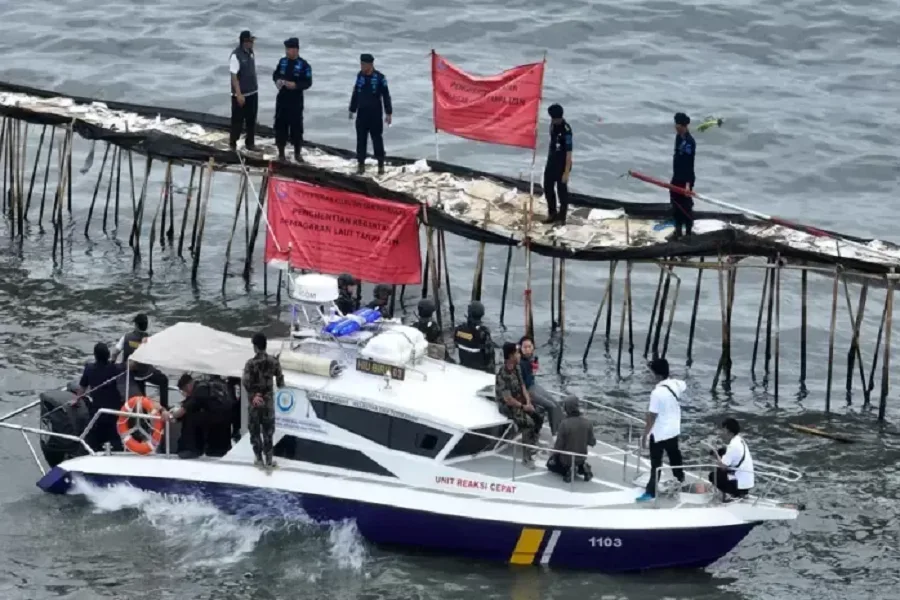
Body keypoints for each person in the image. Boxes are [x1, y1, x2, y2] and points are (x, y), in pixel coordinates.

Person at [636, 357, 686, 502]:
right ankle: (680, 479)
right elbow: (684, 385)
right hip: (673, 430)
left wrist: (644, 436)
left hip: (659, 433)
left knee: (655, 464)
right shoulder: (676, 384)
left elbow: (652, 417)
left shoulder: (656, 393)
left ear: (657, 375)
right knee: (675, 456)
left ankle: (650, 491)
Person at [495, 342, 542, 468]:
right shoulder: (503, 374)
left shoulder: (517, 368)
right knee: (528, 424)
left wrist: (528, 402)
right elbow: (508, 399)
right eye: (516, 352)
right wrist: (523, 407)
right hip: (508, 405)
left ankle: (533, 442)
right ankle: (526, 459)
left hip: (520, 400)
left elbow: (522, 386)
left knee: (538, 415)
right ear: (510, 356)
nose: (519, 354)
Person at [241, 332, 285, 468]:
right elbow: (280, 382)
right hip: (268, 402)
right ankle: (269, 460)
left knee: (254, 431)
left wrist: (254, 395)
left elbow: (246, 382)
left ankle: (259, 459)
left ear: (255, 347)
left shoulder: (250, 364)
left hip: (255, 402)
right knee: (268, 432)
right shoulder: (274, 362)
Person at [111, 313, 169, 409]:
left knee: (141, 400)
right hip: (147, 372)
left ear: (136, 325)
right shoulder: (150, 340)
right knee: (164, 380)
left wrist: (112, 364)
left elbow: (114, 353)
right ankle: (164, 407)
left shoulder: (126, 337)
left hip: (131, 376)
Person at [348, 53, 393, 176]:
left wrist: (388, 113)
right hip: (362, 114)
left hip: (375, 115)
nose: (362, 67)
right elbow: (356, 92)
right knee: (361, 140)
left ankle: (380, 166)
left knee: (377, 140)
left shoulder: (380, 78)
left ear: (371, 64)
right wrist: (352, 109)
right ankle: (360, 166)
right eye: (361, 64)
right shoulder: (360, 76)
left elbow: (386, 96)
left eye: (364, 64)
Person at [77, 342, 126, 452]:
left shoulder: (89, 369)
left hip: (98, 412)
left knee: (93, 439)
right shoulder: (116, 369)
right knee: (115, 438)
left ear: (95, 355)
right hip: (115, 412)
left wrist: (76, 401)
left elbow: (82, 389)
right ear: (108, 355)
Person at [172, 373, 233, 459]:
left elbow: (184, 410)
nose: (185, 393)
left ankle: (190, 449)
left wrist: (172, 415)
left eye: (184, 390)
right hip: (225, 418)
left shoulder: (199, 390)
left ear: (189, 385)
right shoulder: (204, 386)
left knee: (190, 418)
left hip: (217, 418)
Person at [273, 37, 313, 162]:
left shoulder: (304, 65)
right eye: (286, 49)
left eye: (289, 49)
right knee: (280, 126)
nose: (287, 51)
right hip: (282, 99)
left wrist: (296, 85)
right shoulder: (282, 61)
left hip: (296, 100)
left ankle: (297, 153)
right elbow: (276, 74)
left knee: (296, 127)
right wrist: (277, 80)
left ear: (296, 50)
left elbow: (308, 82)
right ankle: (281, 153)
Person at [518, 336, 563, 435]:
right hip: (527, 390)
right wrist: (533, 372)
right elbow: (523, 383)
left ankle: (560, 431)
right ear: (520, 348)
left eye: (529, 346)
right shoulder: (520, 363)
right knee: (551, 406)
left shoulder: (530, 359)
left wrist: (533, 368)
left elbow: (531, 379)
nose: (528, 349)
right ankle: (555, 435)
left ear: (533, 347)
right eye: (525, 347)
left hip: (533, 385)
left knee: (556, 404)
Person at [547, 396, 596, 483]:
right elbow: (592, 442)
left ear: (566, 408)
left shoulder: (564, 424)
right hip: (581, 457)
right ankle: (582, 467)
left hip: (567, 460)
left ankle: (568, 470)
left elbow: (558, 446)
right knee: (579, 459)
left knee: (550, 465)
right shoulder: (588, 423)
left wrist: (552, 455)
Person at [708, 417, 755, 499]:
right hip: (747, 482)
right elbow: (728, 454)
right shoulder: (740, 440)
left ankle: (727, 495)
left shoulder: (732, 446)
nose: (721, 433)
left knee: (713, 476)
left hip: (739, 486)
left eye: (723, 430)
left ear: (728, 431)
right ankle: (732, 493)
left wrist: (716, 456)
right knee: (722, 454)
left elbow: (723, 466)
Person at [542, 103, 573, 225]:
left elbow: (569, 153)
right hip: (552, 160)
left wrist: (566, 172)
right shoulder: (552, 125)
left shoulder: (567, 131)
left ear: (558, 118)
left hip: (563, 163)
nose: (552, 121)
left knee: (561, 190)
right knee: (548, 186)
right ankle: (552, 213)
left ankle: (562, 217)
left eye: (553, 119)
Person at [228, 30, 259, 152]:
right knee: (237, 121)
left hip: (252, 92)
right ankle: (233, 144)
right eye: (250, 41)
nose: (252, 43)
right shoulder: (236, 55)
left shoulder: (251, 53)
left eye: (252, 41)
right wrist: (239, 94)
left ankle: (250, 143)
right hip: (240, 95)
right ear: (244, 42)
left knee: (251, 119)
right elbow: (234, 77)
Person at [670, 112, 696, 239]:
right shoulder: (678, 138)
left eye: (678, 125)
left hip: (686, 177)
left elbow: (688, 163)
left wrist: (687, 184)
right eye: (676, 124)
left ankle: (689, 232)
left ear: (684, 126)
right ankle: (678, 229)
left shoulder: (689, 142)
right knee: (674, 200)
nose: (676, 127)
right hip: (677, 175)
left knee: (685, 204)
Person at [453, 301, 496, 373]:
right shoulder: (484, 332)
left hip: (463, 365)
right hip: (479, 370)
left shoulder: (458, 329)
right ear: (482, 314)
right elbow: (490, 355)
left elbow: (456, 344)